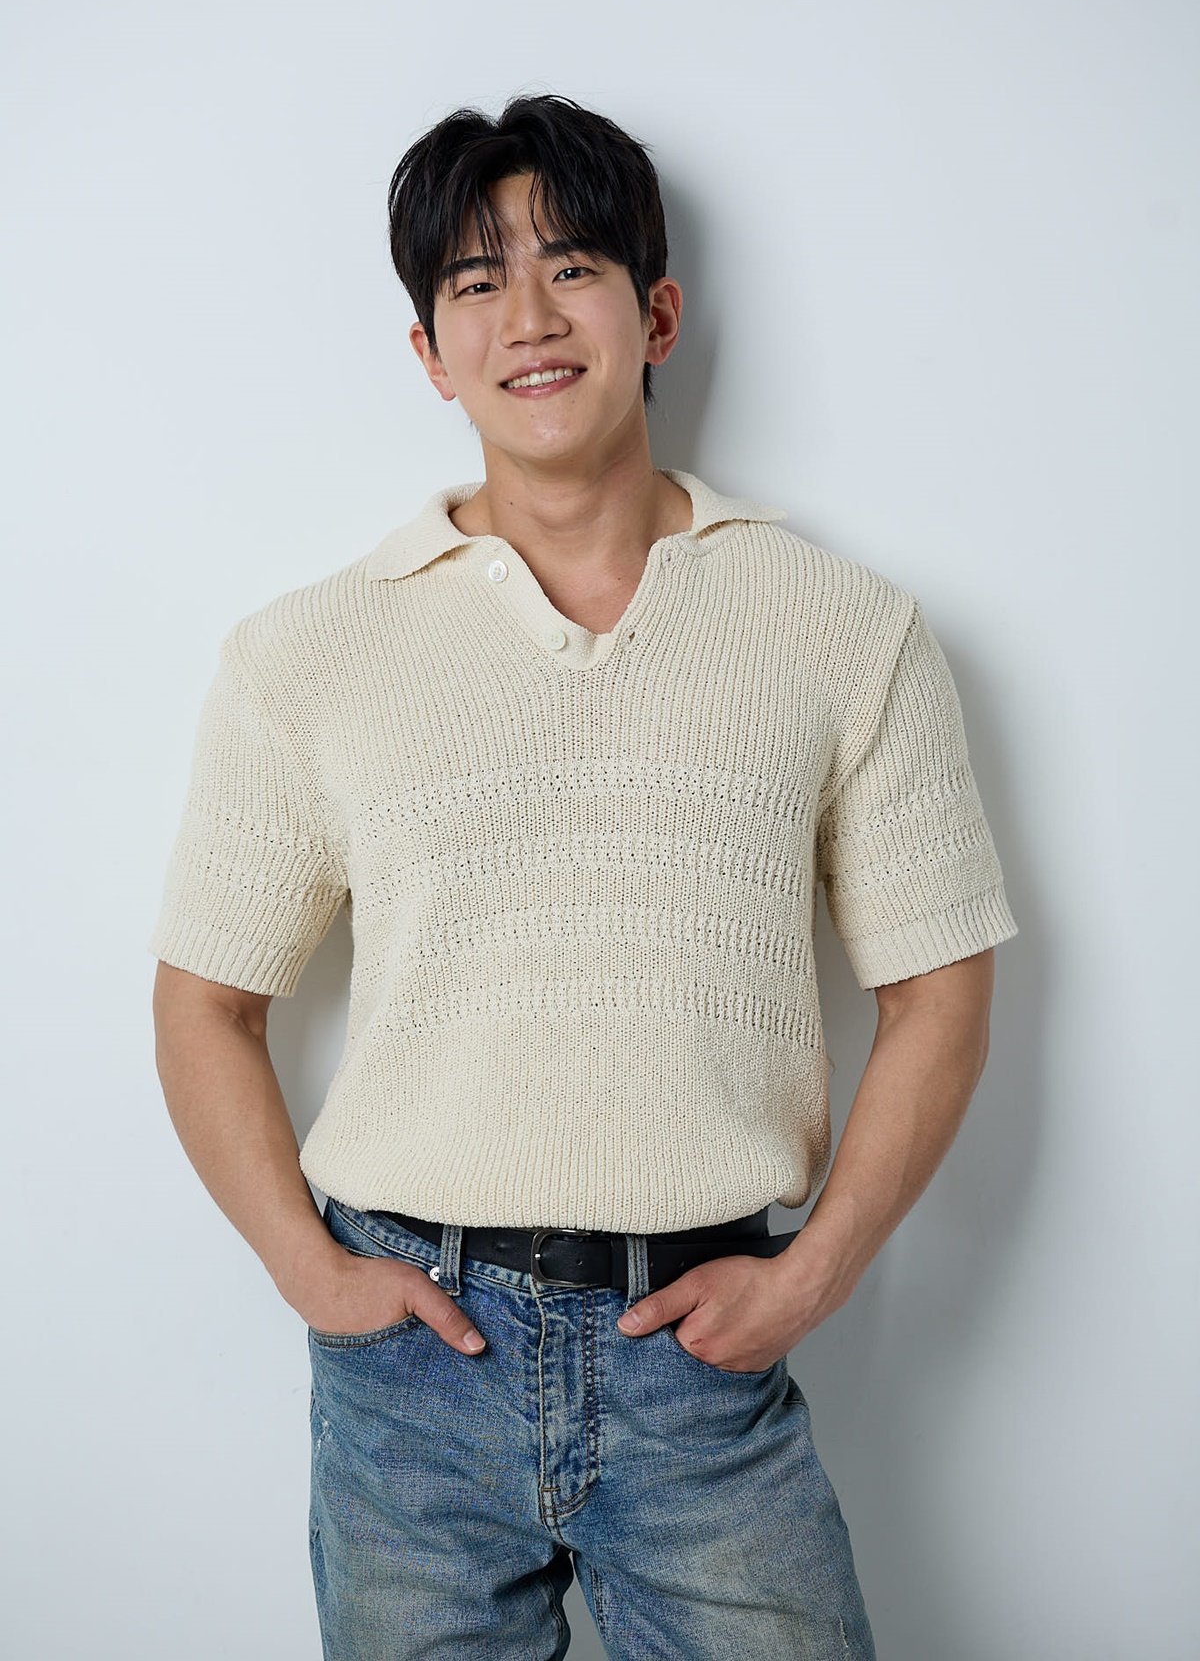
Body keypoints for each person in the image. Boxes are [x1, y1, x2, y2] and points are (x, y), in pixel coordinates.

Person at [148, 92, 1019, 1659]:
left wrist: (812, 1276)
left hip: (702, 1351)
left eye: (572, 268)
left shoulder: (844, 630)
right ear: (430, 352)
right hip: (412, 1366)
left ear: (656, 314)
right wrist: (311, 1272)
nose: (530, 318)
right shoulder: (309, 654)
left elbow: (941, 986)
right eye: (477, 282)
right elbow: (204, 1001)